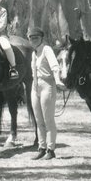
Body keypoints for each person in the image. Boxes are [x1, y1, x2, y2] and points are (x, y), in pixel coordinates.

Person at [28, 27, 62, 160]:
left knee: (48, 120)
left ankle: (51, 149)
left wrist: (58, 80)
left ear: (41, 38)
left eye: (36, 38)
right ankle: (41, 147)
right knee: (38, 120)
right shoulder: (33, 53)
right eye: (31, 38)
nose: (33, 40)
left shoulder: (46, 49)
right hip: (35, 85)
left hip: (47, 84)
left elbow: (55, 66)